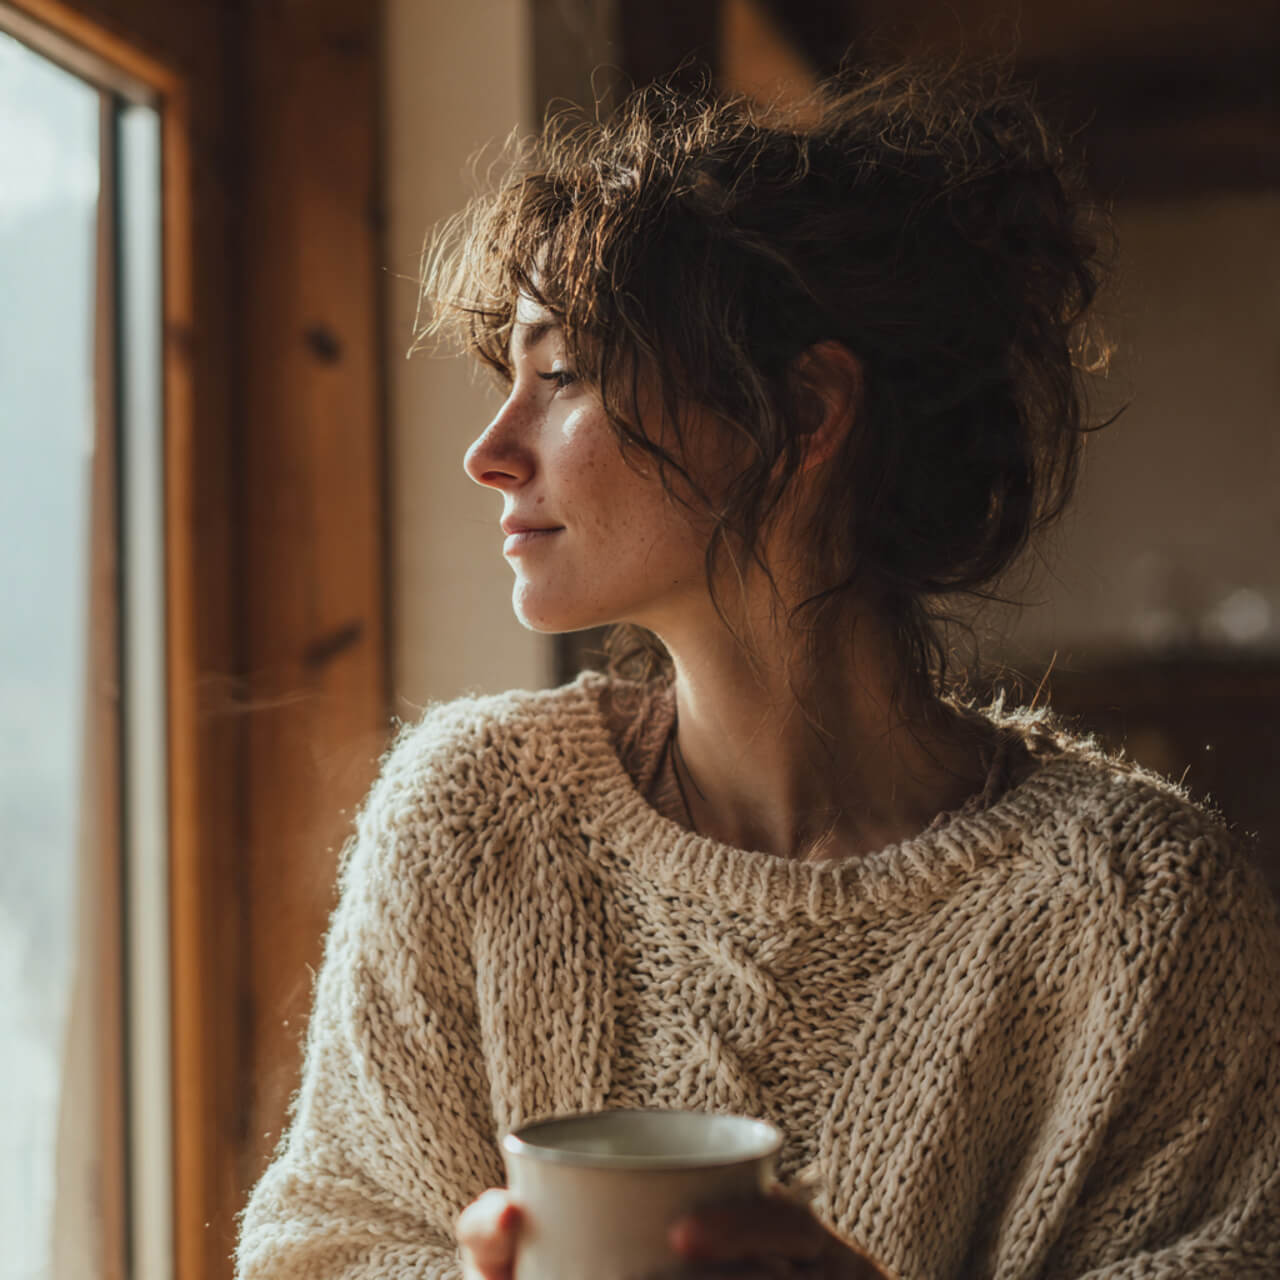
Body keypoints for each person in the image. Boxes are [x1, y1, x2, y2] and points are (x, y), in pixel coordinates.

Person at [235, 61, 1280, 1280]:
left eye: (561, 372)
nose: (489, 450)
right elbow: (323, 1248)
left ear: (801, 408)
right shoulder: (471, 816)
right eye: (504, 376)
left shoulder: (1148, 914)